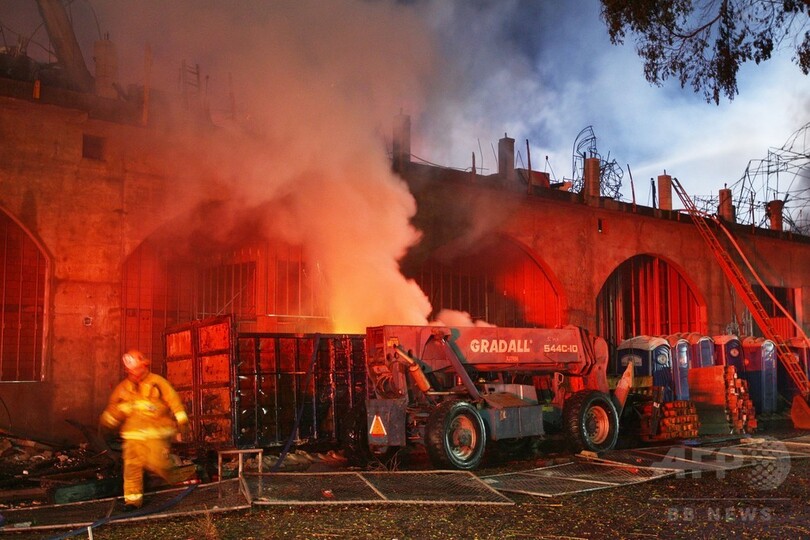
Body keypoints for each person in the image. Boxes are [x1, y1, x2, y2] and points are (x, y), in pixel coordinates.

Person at [99, 349, 194, 510]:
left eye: (137, 368)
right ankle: (132, 502)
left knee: (158, 464)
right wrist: (106, 424)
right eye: (131, 369)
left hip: (155, 435)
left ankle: (181, 478)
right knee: (131, 469)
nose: (134, 372)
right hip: (133, 437)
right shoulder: (123, 388)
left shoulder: (157, 382)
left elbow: (173, 401)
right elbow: (114, 409)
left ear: (144, 366)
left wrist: (182, 421)